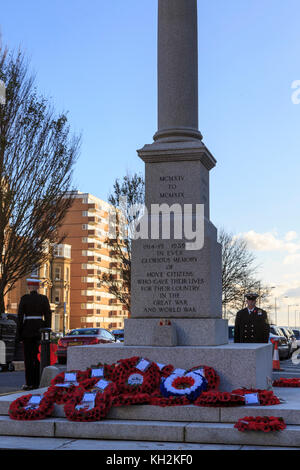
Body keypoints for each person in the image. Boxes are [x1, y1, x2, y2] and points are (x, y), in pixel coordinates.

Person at [16, 278, 52, 390]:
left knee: (28, 358)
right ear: (38, 287)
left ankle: (29, 383)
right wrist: (46, 328)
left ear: (29, 287)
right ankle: (38, 382)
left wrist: (19, 334)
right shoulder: (43, 298)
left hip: (27, 331)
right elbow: (48, 315)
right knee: (38, 358)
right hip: (40, 330)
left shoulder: (24, 299)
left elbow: (20, 317)